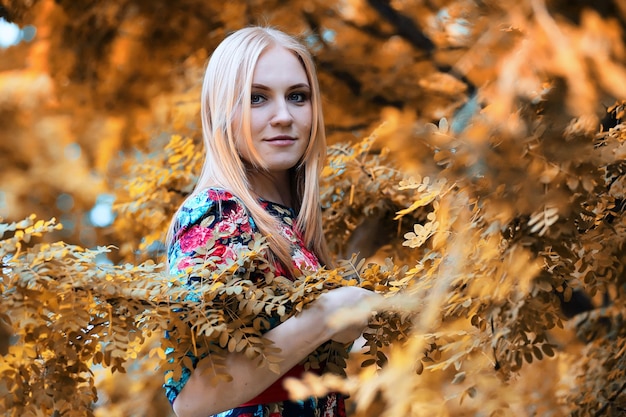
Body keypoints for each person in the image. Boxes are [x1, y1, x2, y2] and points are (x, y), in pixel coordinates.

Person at [164, 26, 377, 417]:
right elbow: (191, 398)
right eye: (256, 98)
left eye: (298, 96)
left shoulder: (291, 223)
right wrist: (328, 314)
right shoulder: (217, 214)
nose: (283, 116)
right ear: (221, 111)